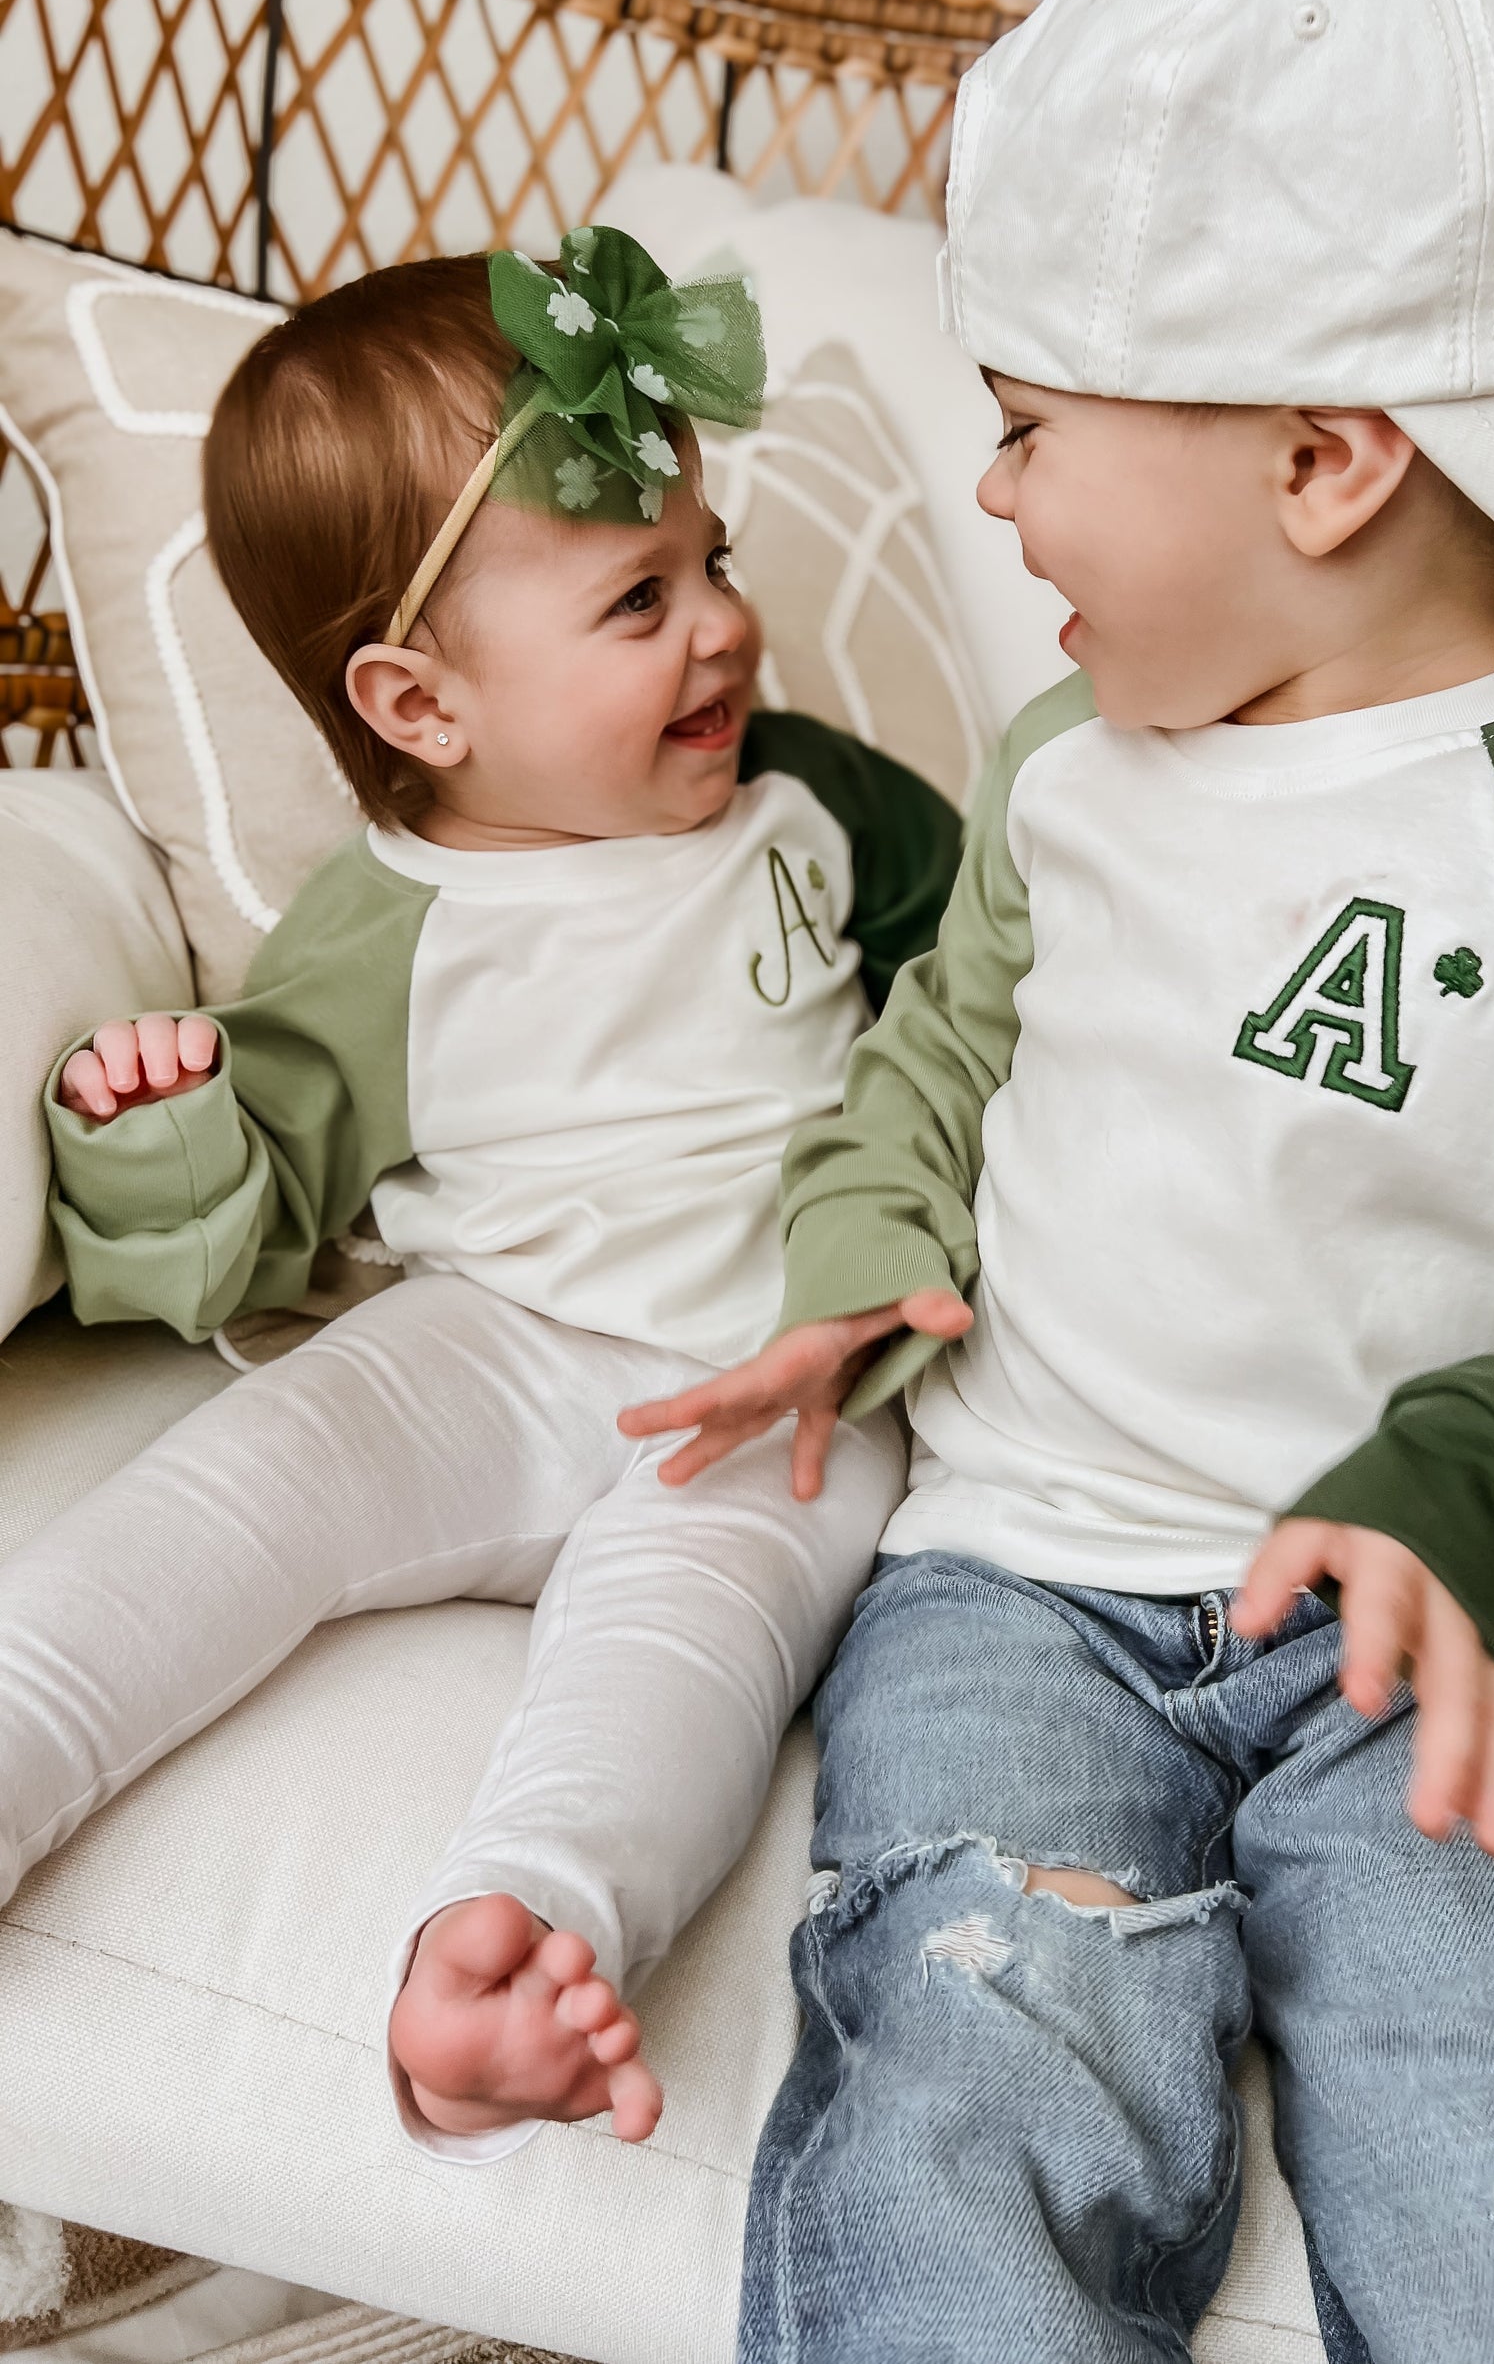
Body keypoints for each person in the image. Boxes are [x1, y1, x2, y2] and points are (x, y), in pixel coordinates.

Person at [622, 0, 1494, 2361]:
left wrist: (1491, 1491)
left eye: (1028, 427)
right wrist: (859, 1254)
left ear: (1322, 461)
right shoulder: (1060, 769)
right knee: (965, 2072)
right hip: (1014, 1585)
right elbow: (940, 1053)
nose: (998, 497)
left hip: (1429, 1625)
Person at [1, 227, 958, 2160]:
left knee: (691, 1650)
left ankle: (515, 1951)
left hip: (782, 1379)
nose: (720, 630)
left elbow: (988, 993)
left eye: (713, 563)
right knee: (240, 1487)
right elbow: (258, 1206)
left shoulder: (820, 805)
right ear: (421, 706)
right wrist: (157, 1118)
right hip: (492, 1341)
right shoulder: (392, 923)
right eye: (637, 600)